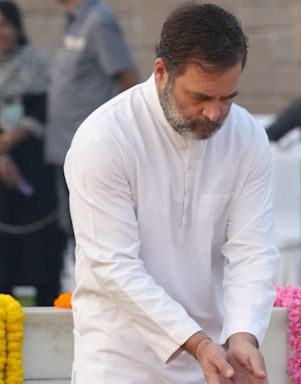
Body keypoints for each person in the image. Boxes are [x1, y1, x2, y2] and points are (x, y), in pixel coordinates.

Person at [65, 3, 279, 383]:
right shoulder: (105, 138)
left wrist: (244, 335)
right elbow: (114, 266)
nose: (214, 113)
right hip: (119, 359)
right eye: (200, 97)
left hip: (214, 360)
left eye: (226, 98)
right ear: (161, 72)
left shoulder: (246, 136)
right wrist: (196, 343)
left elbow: (252, 249)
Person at [45, 0, 138, 236]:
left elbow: (128, 78)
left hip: (89, 154)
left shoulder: (99, 21)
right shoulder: (75, 21)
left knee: (92, 237)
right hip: (65, 147)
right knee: (73, 236)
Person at [0, 1, 65, 306]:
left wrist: (11, 140)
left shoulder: (37, 62)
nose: (1, 32)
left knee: (40, 252)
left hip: (33, 165)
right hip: (2, 168)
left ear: (17, 27)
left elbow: (46, 108)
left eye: (4, 24)